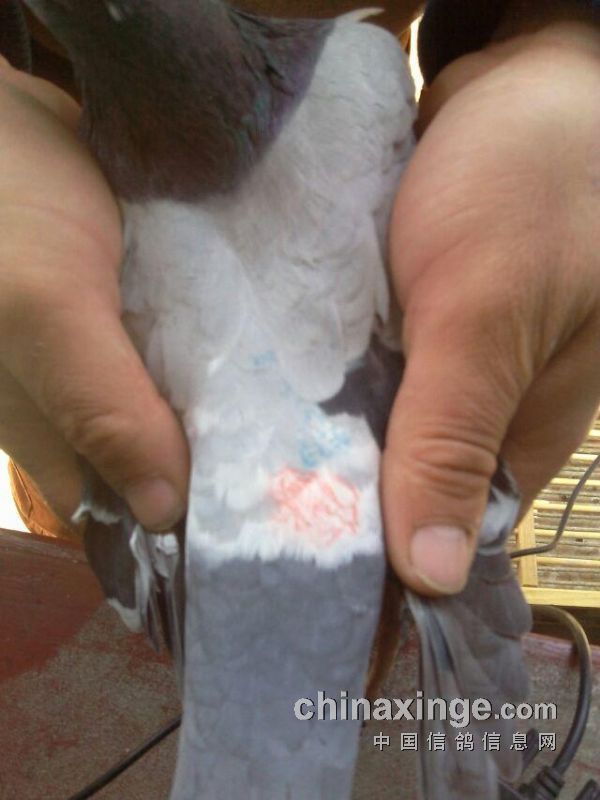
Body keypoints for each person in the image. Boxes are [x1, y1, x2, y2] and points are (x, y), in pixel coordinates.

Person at [0, 0, 598, 596]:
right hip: (64, 180)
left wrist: (563, 39)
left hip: (353, 117)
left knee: (392, 501)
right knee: (112, 504)